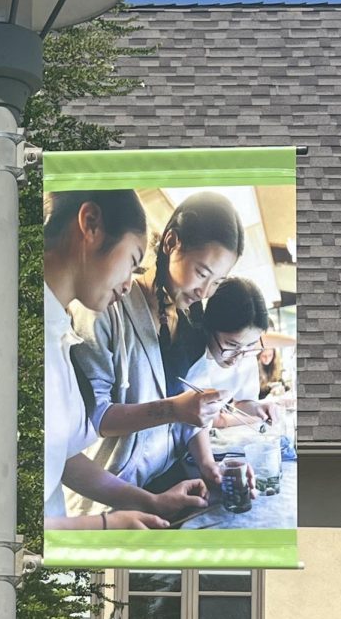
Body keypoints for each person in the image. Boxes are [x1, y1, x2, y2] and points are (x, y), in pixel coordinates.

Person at [42, 190, 209, 529]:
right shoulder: (23, 333)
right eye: (132, 260)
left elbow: (62, 455)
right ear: (90, 224)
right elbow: (0, 523)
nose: (128, 282)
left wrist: (151, 501)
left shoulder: (57, 332)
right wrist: (105, 525)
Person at [71, 191, 246, 492]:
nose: (204, 291)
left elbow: (195, 410)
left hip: (170, 476)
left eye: (217, 281)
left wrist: (208, 467)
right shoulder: (105, 304)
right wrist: (174, 409)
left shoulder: (192, 322)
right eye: (201, 272)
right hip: (114, 488)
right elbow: (96, 417)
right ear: (171, 243)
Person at [183, 278, 274, 488]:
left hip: (211, 452)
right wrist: (207, 463)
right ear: (209, 328)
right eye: (231, 345)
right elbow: (197, 419)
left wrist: (259, 408)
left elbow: (242, 402)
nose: (238, 357)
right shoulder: (192, 358)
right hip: (186, 453)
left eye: (249, 346)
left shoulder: (245, 354)